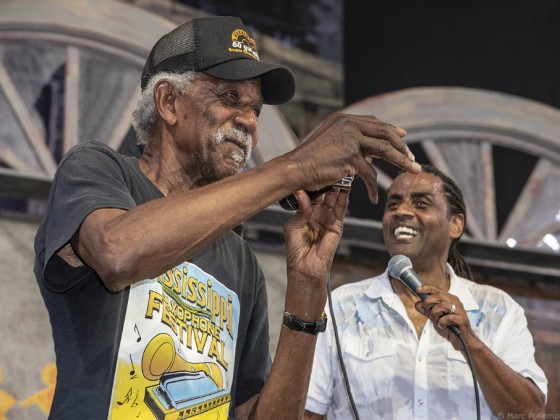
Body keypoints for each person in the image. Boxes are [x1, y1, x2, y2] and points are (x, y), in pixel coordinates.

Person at [33, 16, 421, 419]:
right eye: (230, 98)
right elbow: (117, 253)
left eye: (255, 109)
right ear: (168, 102)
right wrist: (294, 167)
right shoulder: (99, 170)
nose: (250, 122)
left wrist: (307, 286)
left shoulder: (240, 260)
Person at [304, 164, 548, 419]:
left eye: (421, 203)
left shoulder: (498, 310)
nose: (402, 212)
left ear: (455, 224)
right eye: (393, 204)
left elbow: (530, 415)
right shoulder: (341, 307)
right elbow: (309, 411)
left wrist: (469, 342)